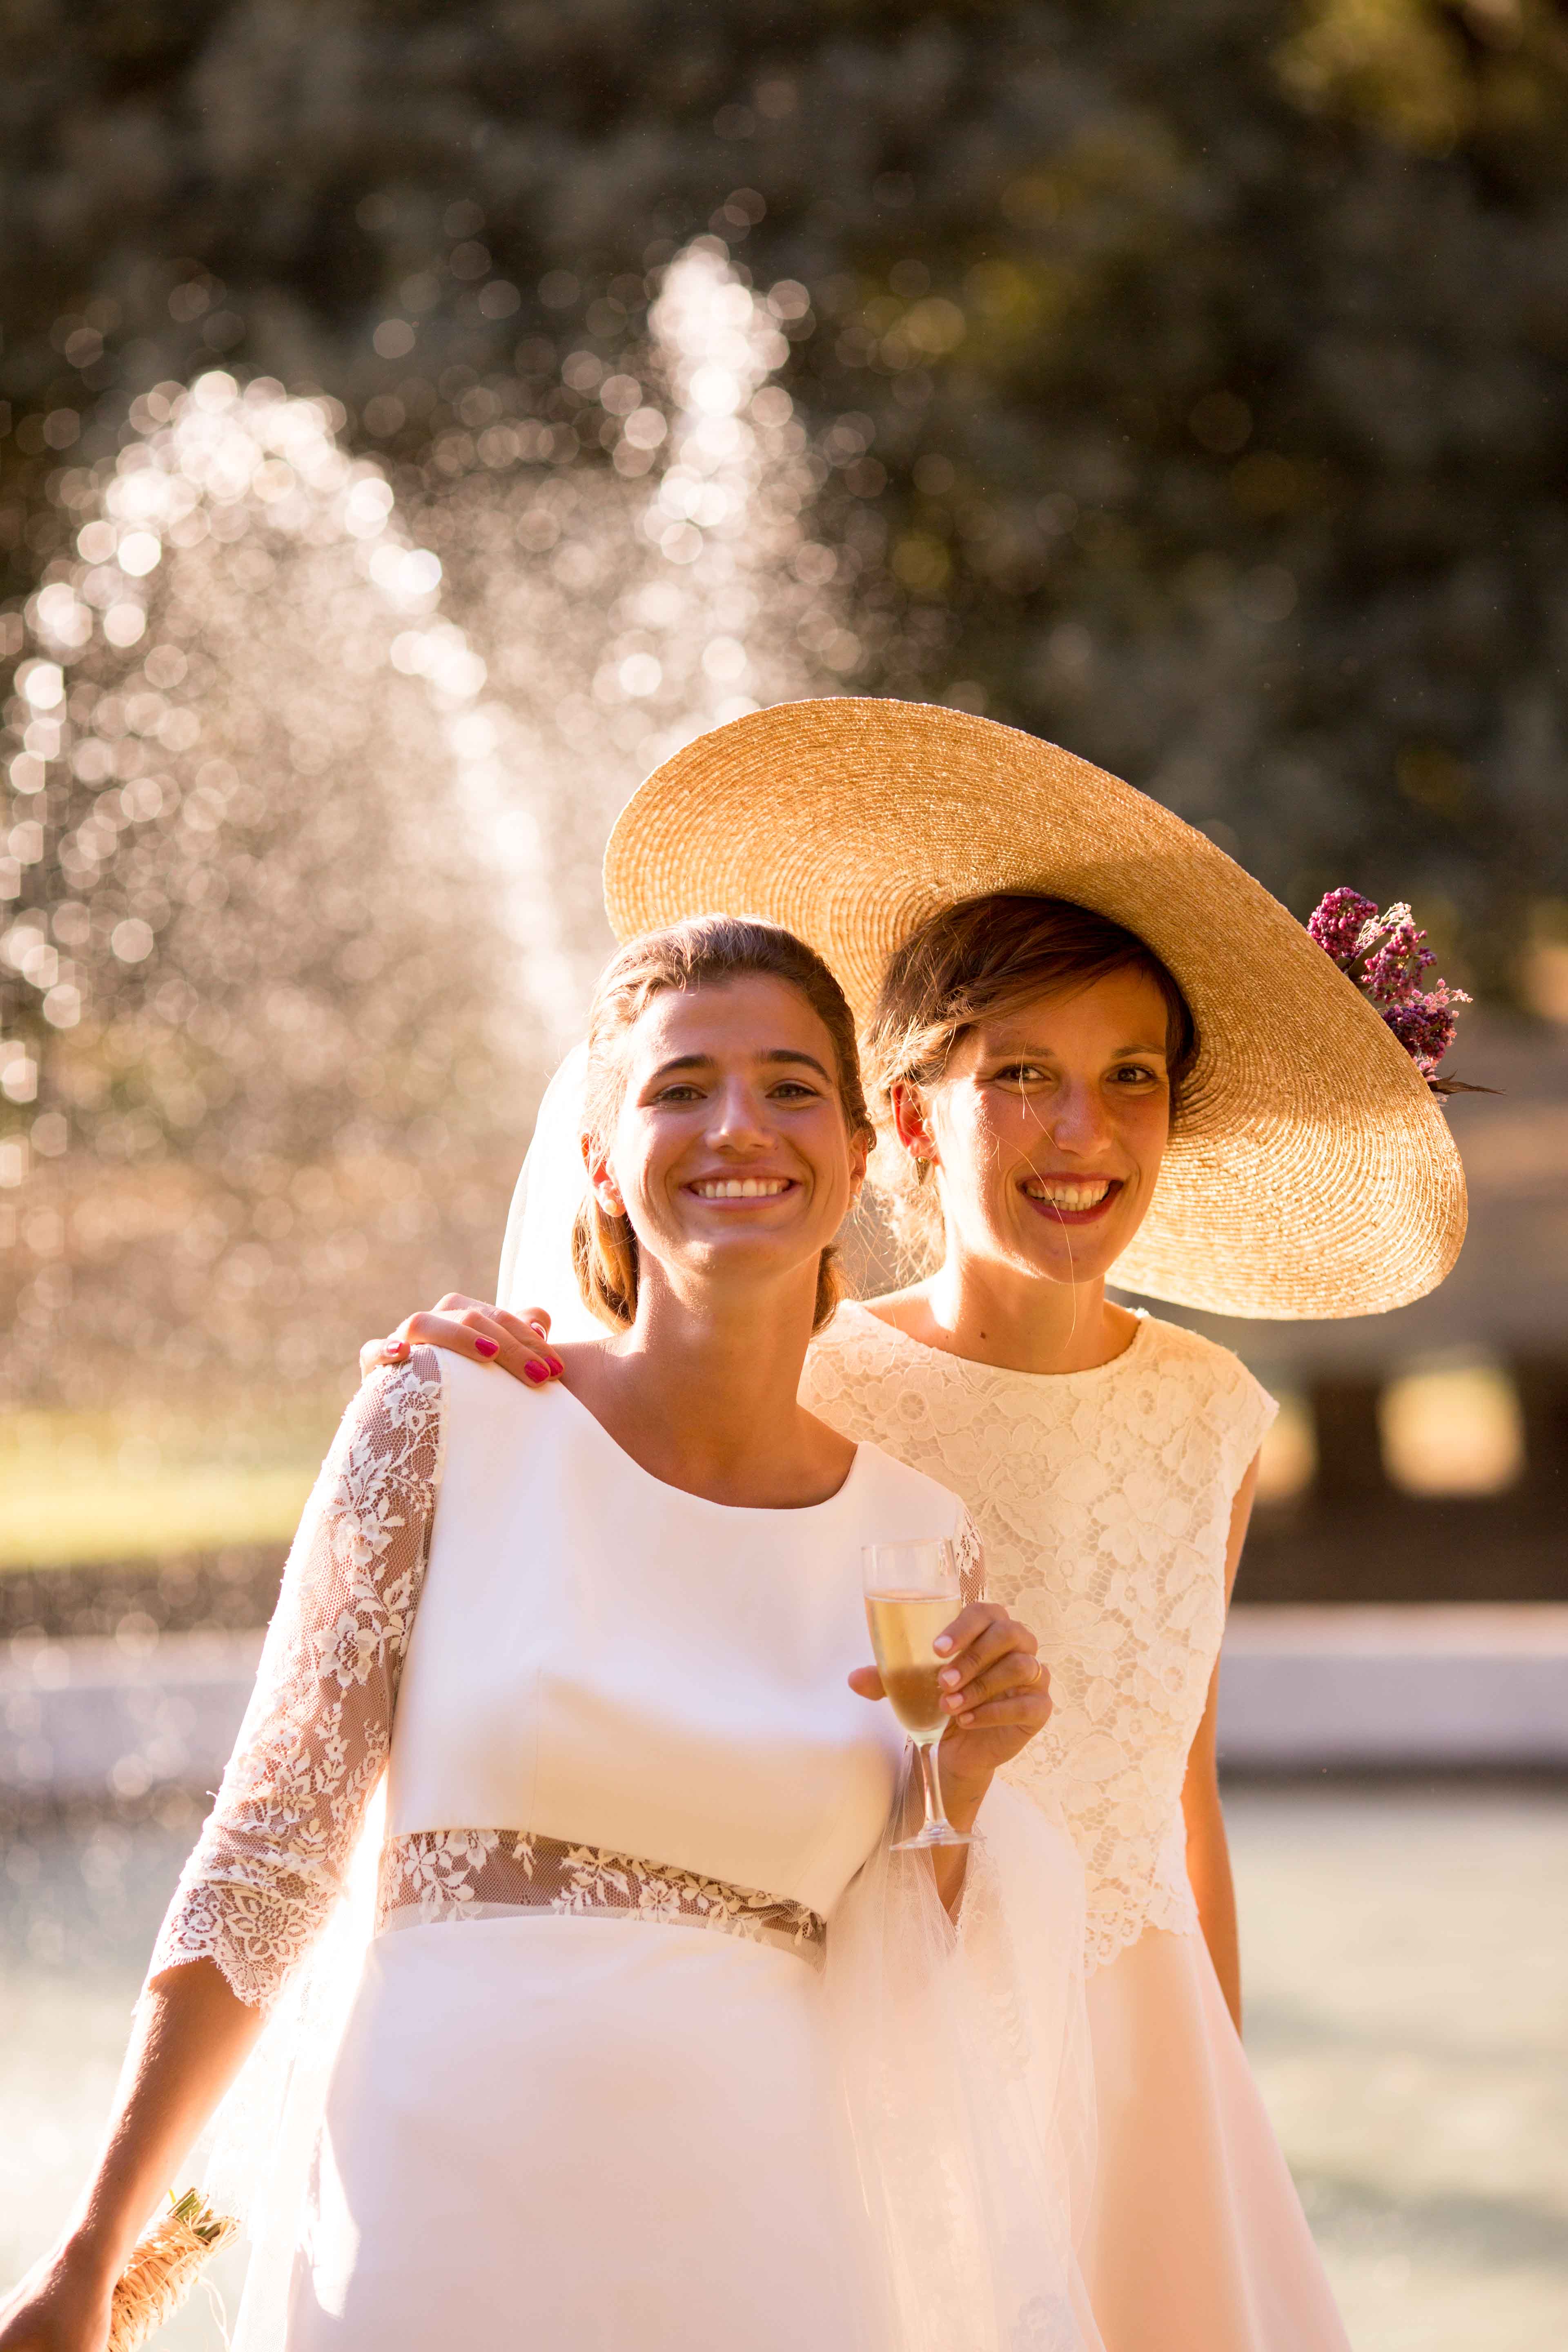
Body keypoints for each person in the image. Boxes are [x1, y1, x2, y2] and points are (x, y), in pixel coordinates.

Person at [364, 701, 1468, 2352]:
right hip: (888, 2017)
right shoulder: (815, 1384)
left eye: (1130, 1079)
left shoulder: (1216, 1417)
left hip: (1140, 2047)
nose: (1080, 1131)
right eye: (1019, 1076)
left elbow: (1179, 1792)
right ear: (909, 1114)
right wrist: (487, 1361)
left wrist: (1218, 2097)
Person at [0, 914, 1095, 2352]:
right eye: (680, 1088)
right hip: (432, 2210)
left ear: (853, 1155)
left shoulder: (918, 1539)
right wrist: (92, 2250)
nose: (738, 1126)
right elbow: (268, 1859)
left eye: (787, 1086)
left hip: (764, 2239)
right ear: (600, 1158)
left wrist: (965, 1778)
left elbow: (900, 1968)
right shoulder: (441, 1417)